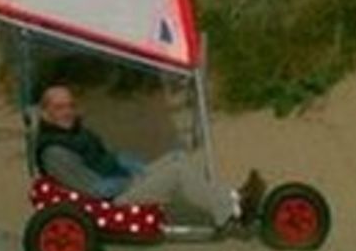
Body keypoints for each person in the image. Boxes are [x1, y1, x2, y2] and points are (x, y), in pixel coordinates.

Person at [35, 85, 265, 231]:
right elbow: (94, 188)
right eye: (59, 108)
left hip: (119, 180)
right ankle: (233, 212)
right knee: (177, 173)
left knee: (177, 157)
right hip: (114, 199)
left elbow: (102, 158)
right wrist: (133, 179)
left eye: (70, 106)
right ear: (46, 113)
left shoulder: (71, 133)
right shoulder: (55, 152)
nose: (67, 112)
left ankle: (233, 196)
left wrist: (126, 162)